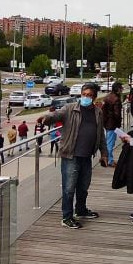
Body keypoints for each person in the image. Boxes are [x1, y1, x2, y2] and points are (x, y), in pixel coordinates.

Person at [37, 83, 108, 229]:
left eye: (89, 95)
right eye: (84, 94)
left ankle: (80, 210)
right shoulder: (70, 108)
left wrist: (104, 154)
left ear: (94, 97)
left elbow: (100, 135)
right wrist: (46, 117)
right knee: (69, 188)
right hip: (71, 155)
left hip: (87, 156)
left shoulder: (97, 112)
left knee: (83, 186)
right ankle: (67, 217)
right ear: (80, 94)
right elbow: (56, 114)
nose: (86, 97)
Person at [101, 82, 123, 166]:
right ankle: (109, 160)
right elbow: (117, 114)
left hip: (107, 123)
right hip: (113, 124)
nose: (122, 89)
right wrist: (118, 122)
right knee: (110, 142)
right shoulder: (116, 99)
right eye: (121, 88)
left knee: (108, 141)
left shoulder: (107, 97)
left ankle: (106, 158)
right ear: (118, 89)